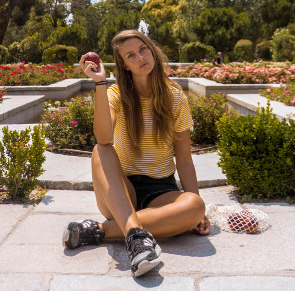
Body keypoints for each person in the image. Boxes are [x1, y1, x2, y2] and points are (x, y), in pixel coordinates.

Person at [62, 30, 210, 277]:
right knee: (101, 150)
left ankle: (103, 230)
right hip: (121, 189)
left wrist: (198, 213)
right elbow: (103, 138)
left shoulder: (175, 97)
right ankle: (137, 234)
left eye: (143, 49)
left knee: (194, 205)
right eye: (131, 55)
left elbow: (184, 159)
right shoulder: (116, 94)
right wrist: (100, 84)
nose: (141, 57)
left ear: (152, 49)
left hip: (162, 191)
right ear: (124, 65)